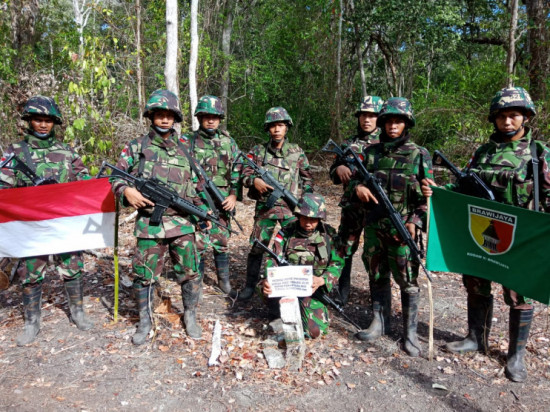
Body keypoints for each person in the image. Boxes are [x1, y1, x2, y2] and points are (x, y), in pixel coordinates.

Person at [421, 87, 550, 382]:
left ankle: (516, 356)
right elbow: (464, 187)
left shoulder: (539, 153)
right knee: (476, 283)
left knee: (518, 292)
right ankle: (475, 338)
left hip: (521, 236)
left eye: (513, 115)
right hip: (481, 231)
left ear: (525, 117)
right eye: (501, 116)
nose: (507, 121)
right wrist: (438, 192)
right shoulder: (483, 152)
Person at [110, 89, 209, 344]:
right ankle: (145, 320)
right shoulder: (137, 146)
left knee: (190, 272)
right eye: (159, 115)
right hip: (149, 225)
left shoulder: (187, 148)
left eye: (169, 115)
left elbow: (196, 184)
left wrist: (204, 210)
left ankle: (190, 315)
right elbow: (115, 176)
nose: (164, 120)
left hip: (183, 223)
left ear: (175, 118)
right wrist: (126, 190)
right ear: (151, 116)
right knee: (144, 274)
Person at [0, 96, 93, 346]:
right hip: (30, 225)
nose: (43, 125)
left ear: (55, 123)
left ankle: (78, 313)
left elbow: (84, 183)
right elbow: (3, 186)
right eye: (38, 120)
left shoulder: (66, 152)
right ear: (29, 121)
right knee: (29, 273)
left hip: (63, 224)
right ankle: (32, 322)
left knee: (72, 267)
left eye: (47, 121)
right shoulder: (15, 151)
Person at [350, 97, 433, 357]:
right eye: (388, 121)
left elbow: (428, 197)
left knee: (407, 280)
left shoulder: (419, 154)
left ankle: (409, 333)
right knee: (376, 273)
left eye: (398, 121)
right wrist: (358, 188)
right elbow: (354, 180)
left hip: (403, 229)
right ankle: (380, 321)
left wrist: (414, 222)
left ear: (407, 123)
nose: (393, 125)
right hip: (375, 225)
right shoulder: (372, 152)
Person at [238, 107, 314, 300]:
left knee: (294, 247)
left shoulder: (296, 152)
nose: (277, 130)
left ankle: (292, 285)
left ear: (287, 127)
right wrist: (253, 181)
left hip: (290, 210)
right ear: (268, 129)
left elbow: (308, 179)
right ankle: (250, 285)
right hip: (266, 209)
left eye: (280, 125)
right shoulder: (257, 151)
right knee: (257, 246)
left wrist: (304, 204)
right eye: (273, 126)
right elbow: (244, 172)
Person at [261, 194, 343, 338]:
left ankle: (306, 309)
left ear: (320, 218)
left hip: (312, 290)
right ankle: (276, 310)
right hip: (286, 284)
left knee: (314, 333)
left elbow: (337, 264)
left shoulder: (329, 235)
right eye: (304, 217)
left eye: (313, 219)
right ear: (298, 215)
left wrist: (322, 280)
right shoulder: (286, 232)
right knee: (263, 287)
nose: (308, 223)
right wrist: (269, 278)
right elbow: (272, 257)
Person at [182, 95, 241, 296]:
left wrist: (233, 195)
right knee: (197, 244)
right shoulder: (186, 141)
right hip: (195, 201)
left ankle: (224, 282)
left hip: (222, 201)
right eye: (206, 116)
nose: (211, 120)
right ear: (199, 117)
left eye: (215, 117)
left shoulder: (228, 142)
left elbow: (237, 171)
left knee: (221, 243)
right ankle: (195, 285)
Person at [329, 95, 383, 305]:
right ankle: (341, 294)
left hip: (376, 210)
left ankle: (377, 304)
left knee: (374, 255)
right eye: (363, 115)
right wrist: (339, 168)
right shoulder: (348, 144)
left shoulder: (385, 144)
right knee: (344, 249)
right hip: (351, 207)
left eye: (371, 116)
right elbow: (333, 173)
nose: (366, 120)